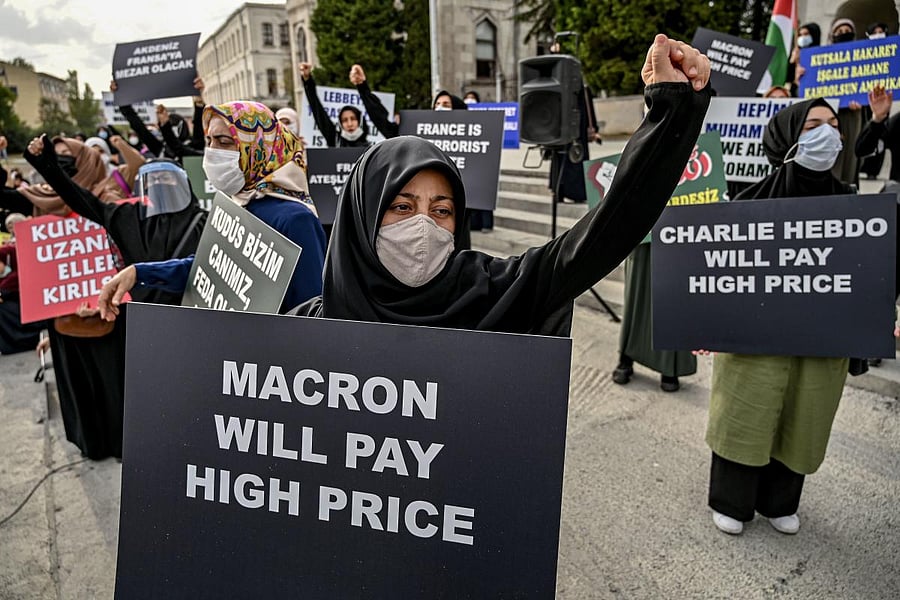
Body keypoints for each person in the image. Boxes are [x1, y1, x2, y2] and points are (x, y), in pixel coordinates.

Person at [288, 35, 711, 338]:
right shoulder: (307, 329)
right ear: (362, 216)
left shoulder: (488, 293)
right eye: (401, 207)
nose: (423, 227)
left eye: (441, 210)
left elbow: (608, 231)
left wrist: (671, 112)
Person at [704, 98, 853, 536]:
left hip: (820, 339)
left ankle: (780, 501)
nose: (827, 134)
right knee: (747, 409)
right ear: (788, 137)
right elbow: (716, 270)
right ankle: (732, 500)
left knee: (804, 411)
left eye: (832, 124)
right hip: (757, 335)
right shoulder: (751, 202)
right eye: (813, 125)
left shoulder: (852, 204)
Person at [98, 101, 327, 319]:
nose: (212, 151)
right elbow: (209, 270)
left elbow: (311, 315)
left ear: (257, 146)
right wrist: (139, 273)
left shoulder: (295, 220)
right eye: (209, 141)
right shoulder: (237, 204)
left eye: (224, 142)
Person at [612, 238, 697, 392]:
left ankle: (669, 367)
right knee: (636, 290)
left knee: (673, 293)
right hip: (642, 227)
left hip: (679, 226)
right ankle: (626, 356)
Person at [300, 62, 372, 148]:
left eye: (353, 119)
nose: (349, 124)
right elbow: (318, 111)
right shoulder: (334, 140)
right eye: (344, 120)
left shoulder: (371, 148)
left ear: (360, 121)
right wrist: (308, 81)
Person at [0, 213, 43, 355]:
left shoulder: (28, 238)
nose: (10, 228)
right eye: (8, 226)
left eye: (11, 225)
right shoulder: (11, 243)